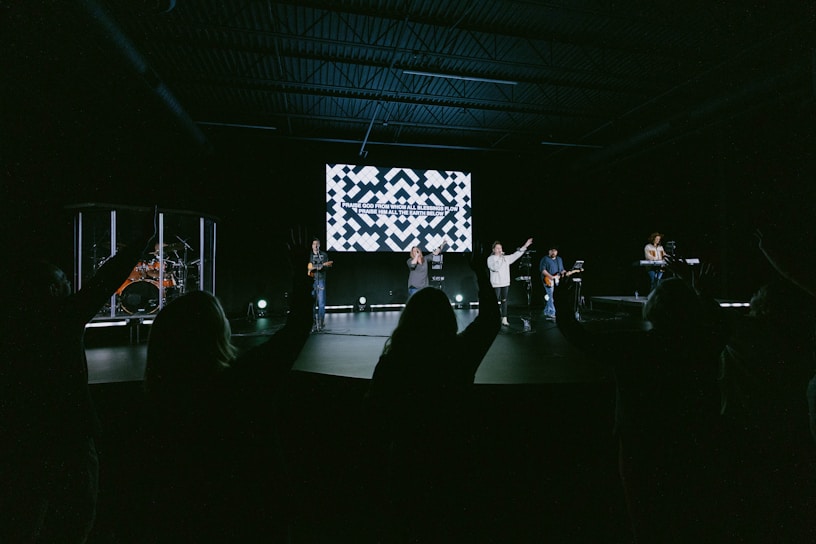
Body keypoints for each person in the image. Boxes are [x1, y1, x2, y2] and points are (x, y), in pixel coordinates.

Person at [142, 227, 315, 543]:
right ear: (216, 332)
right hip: (257, 514)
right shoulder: (244, 381)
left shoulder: (164, 396)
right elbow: (299, 327)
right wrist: (302, 271)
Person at [0, 210, 155, 543]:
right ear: (54, 291)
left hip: (24, 437)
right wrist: (141, 241)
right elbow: (105, 281)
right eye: (65, 284)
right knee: (78, 513)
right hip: (69, 435)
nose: (72, 289)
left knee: (27, 516)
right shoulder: (60, 319)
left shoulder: (14, 328)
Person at [553, 258, 730, 542]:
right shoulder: (702, 345)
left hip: (640, 441)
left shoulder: (635, 347)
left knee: (644, 515)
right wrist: (701, 292)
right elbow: (719, 325)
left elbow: (581, 339)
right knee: (691, 512)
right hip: (693, 436)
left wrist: (562, 308)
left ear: (653, 307)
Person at [365, 243, 500, 542]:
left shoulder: (394, 361)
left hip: (406, 466)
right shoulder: (458, 354)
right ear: (446, 319)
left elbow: (375, 415)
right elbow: (491, 320)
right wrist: (480, 272)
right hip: (455, 461)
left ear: (408, 320)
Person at [487, 237, 533, 326]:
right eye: (497, 248)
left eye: (500, 248)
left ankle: (504, 318)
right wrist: (500, 258)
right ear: (493, 250)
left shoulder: (506, 258)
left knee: (504, 300)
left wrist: (525, 245)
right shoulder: (490, 259)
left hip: (505, 283)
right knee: (494, 301)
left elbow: (516, 254)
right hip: (496, 284)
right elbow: (495, 268)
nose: (499, 250)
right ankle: (492, 318)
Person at [308, 237, 332, 331]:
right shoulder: (309, 255)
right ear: (312, 245)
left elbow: (326, 267)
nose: (316, 246)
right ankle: (312, 323)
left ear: (319, 245)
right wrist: (316, 267)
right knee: (312, 303)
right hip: (311, 281)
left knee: (321, 303)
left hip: (321, 280)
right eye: (314, 244)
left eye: (317, 244)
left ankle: (321, 323)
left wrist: (322, 266)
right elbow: (309, 267)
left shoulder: (323, 255)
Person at [539, 244, 565, 321]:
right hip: (548, 279)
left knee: (553, 296)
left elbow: (561, 270)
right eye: (552, 250)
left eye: (555, 251)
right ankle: (552, 313)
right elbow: (542, 270)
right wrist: (551, 276)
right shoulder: (545, 259)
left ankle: (547, 311)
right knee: (551, 295)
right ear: (549, 251)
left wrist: (564, 272)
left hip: (557, 280)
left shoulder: (559, 259)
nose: (553, 252)